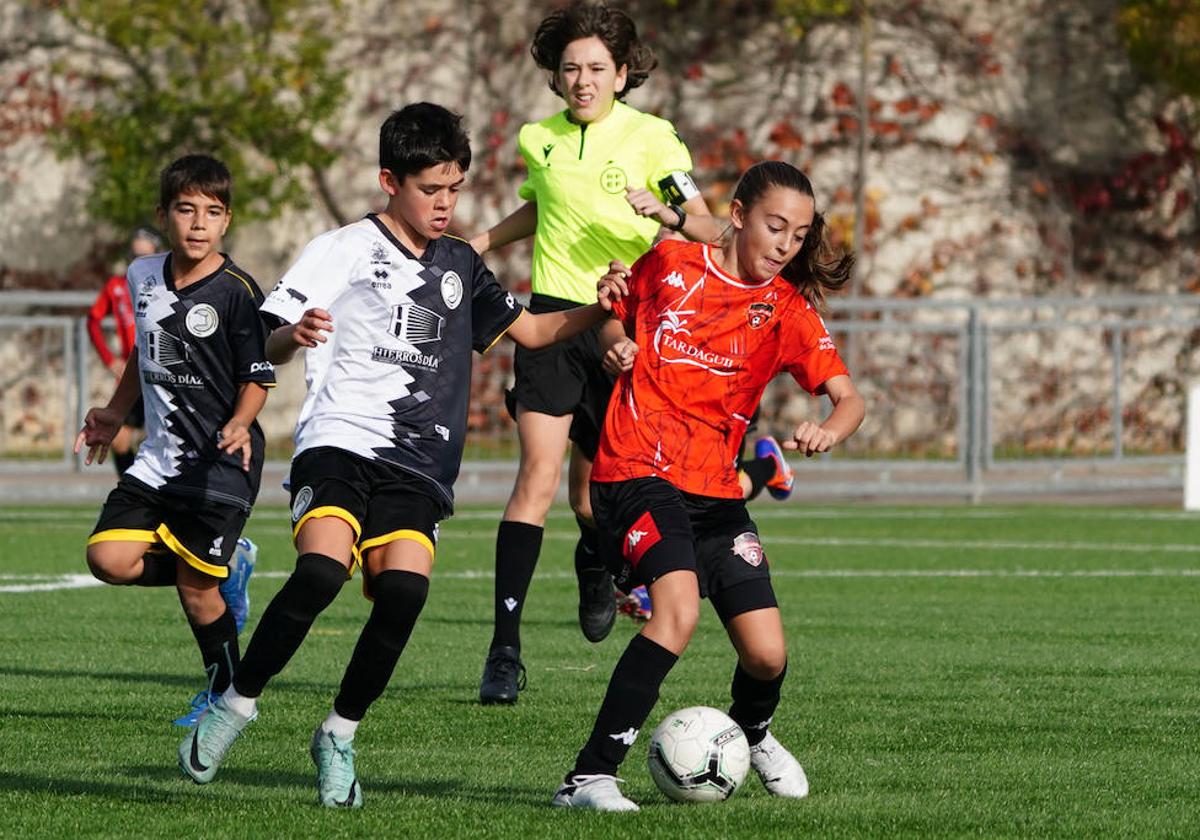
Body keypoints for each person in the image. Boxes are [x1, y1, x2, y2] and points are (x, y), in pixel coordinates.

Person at [177, 102, 624, 809]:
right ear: (391, 180)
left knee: (407, 591)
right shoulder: (345, 246)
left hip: (419, 460)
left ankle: (339, 734)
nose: (444, 204)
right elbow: (258, 340)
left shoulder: (460, 265)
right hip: (342, 440)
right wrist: (296, 334)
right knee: (321, 571)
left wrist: (601, 308)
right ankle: (234, 705)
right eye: (429, 190)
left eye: (454, 189)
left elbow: (533, 331)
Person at [551, 161, 866, 811]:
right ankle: (588, 776)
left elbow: (848, 397)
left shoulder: (787, 312)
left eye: (799, 235)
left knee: (767, 656)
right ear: (740, 215)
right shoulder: (670, 262)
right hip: (638, 468)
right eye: (775, 226)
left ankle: (751, 734)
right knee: (677, 613)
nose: (785, 244)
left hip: (716, 491)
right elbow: (614, 313)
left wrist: (831, 429)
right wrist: (615, 344)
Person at [470, 0, 734, 707]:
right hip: (554, 317)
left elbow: (707, 224)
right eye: (570, 70)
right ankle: (503, 652)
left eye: (595, 69)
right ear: (556, 78)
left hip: (629, 325)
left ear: (622, 73)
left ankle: (595, 563)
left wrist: (667, 213)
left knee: (591, 498)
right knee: (536, 475)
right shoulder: (540, 138)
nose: (582, 80)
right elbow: (543, 207)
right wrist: (484, 243)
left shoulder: (654, 139)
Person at [75, 155, 275, 730]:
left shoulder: (237, 290)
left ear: (226, 221)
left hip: (222, 461)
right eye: (186, 209)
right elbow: (145, 348)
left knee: (195, 590)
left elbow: (258, 376)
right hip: (162, 459)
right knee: (106, 559)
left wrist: (240, 420)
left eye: (212, 213)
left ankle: (227, 698)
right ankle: (224, 568)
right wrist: (114, 413)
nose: (198, 223)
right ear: (164, 215)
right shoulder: (142, 276)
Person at [86, 227, 161, 476]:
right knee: (119, 441)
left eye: (144, 254)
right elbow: (93, 320)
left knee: (163, 441)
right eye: (134, 254)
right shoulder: (117, 286)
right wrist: (110, 359)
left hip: (162, 372)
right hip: (133, 375)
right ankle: (131, 489)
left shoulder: (165, 284)